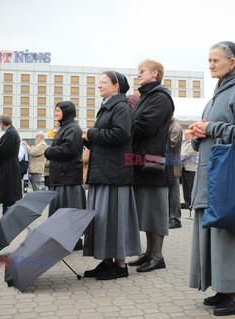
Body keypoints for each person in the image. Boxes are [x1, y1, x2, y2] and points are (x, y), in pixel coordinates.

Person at [188, 41, 235, 316]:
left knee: (228, 232)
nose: (210, 65)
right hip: (210, 174)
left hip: (229, 177)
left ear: (232, 63)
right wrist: (198, 135)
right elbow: (211, 134)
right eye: (208, 60)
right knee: (214, 232)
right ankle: (222, 286)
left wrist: (211, 127)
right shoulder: (214, 97)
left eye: (215, 60)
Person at [82, 71, 141, 280]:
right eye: (98, 82)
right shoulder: (108, 106)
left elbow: (120, 135)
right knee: (104, 219)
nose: (99, 85)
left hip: (115, 174)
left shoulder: (120, 107)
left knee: (114, 219)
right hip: (105, 171)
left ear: (116, 86)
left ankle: (121, 265)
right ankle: (107, 261)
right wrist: (88, 138)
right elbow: (107, 140)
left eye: (103, 82)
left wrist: (92, 133)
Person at [128, 59, 174, 273]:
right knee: (146, 209)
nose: (139, 74)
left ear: (155, 73)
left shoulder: (161, 97)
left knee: (155, 210)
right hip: (142, 160)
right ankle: (148, 253)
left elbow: (145, 126)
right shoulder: (147, 96)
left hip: (153, 161)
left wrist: (125, 124)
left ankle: (157, 256)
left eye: (142, 71)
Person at [44, 101, 85, 217]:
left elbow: (68, 150)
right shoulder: (65, 128)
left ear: (66, 112)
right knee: (59, 217)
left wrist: (48, 151)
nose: (55, 113)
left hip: (68, 180)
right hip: (61, 179)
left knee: (69, 216)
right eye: (55, 110)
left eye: (58, 111)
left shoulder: (73, 129)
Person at [0, 114, 22, 214]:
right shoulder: (12, 132)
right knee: (9, 196)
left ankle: (7, 221)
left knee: (8, 197)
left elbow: (2, 151)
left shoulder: (10, 133)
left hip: (8, 168)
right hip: (10, 167)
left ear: (1, 123)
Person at [168, 118, 183, 229]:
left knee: (174, 195)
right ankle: (171, 217)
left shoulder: (175, 128)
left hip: (173, 166)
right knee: (170, 194)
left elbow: (170, 146)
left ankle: (175, 219)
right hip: (168, 165)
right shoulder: (169, 126)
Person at [180, 133, 198, 212]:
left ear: (190, 135)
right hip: (183, 167)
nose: (185, 136)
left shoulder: (192, 143)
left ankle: (191, 203)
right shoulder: (184, 143)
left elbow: (188, 154)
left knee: (190, 186)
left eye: (186, 134)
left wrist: (178, 159)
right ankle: (187, 202)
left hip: (190, 168)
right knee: (185, 187)